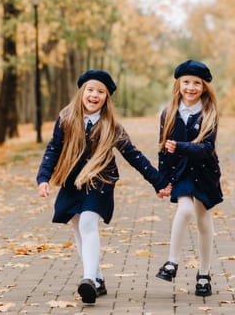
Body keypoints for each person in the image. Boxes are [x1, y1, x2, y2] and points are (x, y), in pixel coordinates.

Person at [36, 69, 171, 304]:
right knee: (78, 228)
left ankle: (88, 279)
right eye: (90, 90)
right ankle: (97, 278)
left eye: (101, 92)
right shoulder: (67, 117)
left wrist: (158, 182)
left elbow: (134, 156)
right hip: (72, 180)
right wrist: (43, 178)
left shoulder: (112, 126)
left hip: (101, 180)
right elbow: (53, 148)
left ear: (107, 98)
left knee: (88, 222)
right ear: (82, 92)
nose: (94, 95)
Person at [155, 60, 223, 297]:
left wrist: (181, 146)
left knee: (204, 221)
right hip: (182, 172)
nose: (191, 87)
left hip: (204, 172)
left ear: (204, 87)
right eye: (186, 82)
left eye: (196, 83)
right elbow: (164, 150)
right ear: (178, 84)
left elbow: (207, 147)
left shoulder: (209, 113)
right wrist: (161, 180)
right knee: (184, 210)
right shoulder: (168, 113)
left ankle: (204, 274)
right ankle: (172, 262)